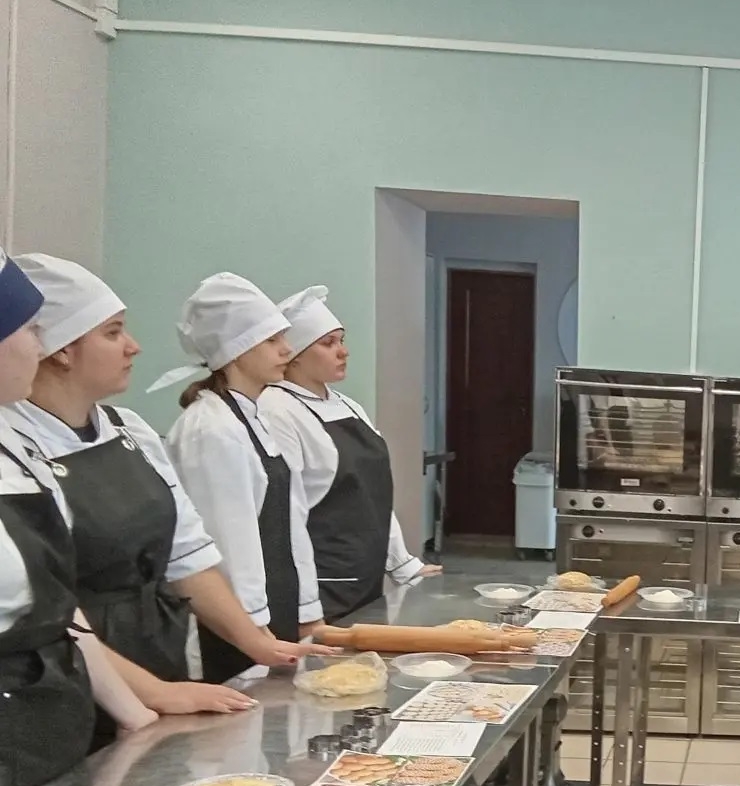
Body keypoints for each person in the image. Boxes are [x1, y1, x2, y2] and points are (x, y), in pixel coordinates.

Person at [7, 255, 309, 686]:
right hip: (68, 674)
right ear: (62, 350)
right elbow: (46, 606)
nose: (134, 346)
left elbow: (187, 553)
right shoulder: (14, 449)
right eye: (113, 332)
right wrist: (153, 696)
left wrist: (261, 645)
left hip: (157, 648)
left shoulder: (129, 429)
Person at [0, 249, 163, 786]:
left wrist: (135, 714)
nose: (39, 347)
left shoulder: (13, 447)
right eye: (28, 330)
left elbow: (56, 608)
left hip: (50, 731)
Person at [157, 273, 324, 682]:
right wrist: (253, 633)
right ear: (237, 350)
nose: (286, 349)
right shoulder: (210, 429)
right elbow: (226, 544)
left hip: (273, 609)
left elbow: (290, 523)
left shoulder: (254, 416)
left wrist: (306, 611)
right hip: (232, 631)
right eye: (272, 340)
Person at [260, 286, 438, 621]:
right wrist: (305, 608)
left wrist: (403, 564)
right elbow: (286, 515)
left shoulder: (348, 406)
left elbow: (374, 500)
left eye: (342, 340)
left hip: (364, 578)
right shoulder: (276, 409)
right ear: (295, 355)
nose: (343, 352)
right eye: (328, 343)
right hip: (317, 587)